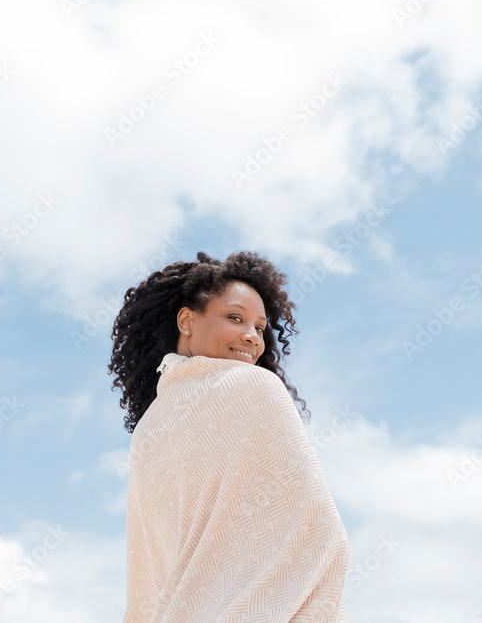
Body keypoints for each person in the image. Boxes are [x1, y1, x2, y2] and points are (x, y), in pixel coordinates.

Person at [109, 250, 350, 622]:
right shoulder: (255, 387)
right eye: (235, 318)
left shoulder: (148, 429)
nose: (252, 337)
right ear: (186, 320)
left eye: (259, 327)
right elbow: (317, 535)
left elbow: (146, 577)